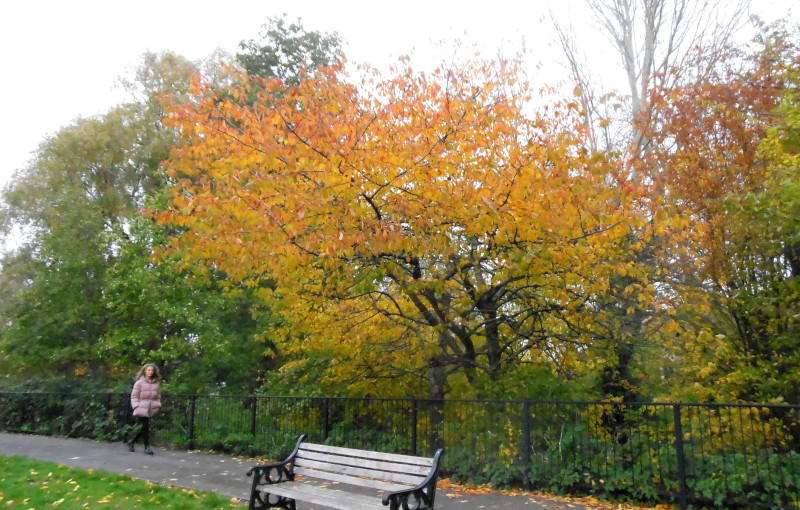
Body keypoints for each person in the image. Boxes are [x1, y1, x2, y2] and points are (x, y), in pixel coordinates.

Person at [126, 363, 162, 455]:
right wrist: (136, 406)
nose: (150, 372)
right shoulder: (139, 383)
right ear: (144, 371)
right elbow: (134, 396)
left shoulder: (156, 383)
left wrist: (158, 404)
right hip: (141, 408)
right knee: (145, 427)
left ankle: (132, 442)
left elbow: (157, 396)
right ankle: (147, 447)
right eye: (148, 370)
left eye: (152, 370)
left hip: (150, 408)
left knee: (144, 428)